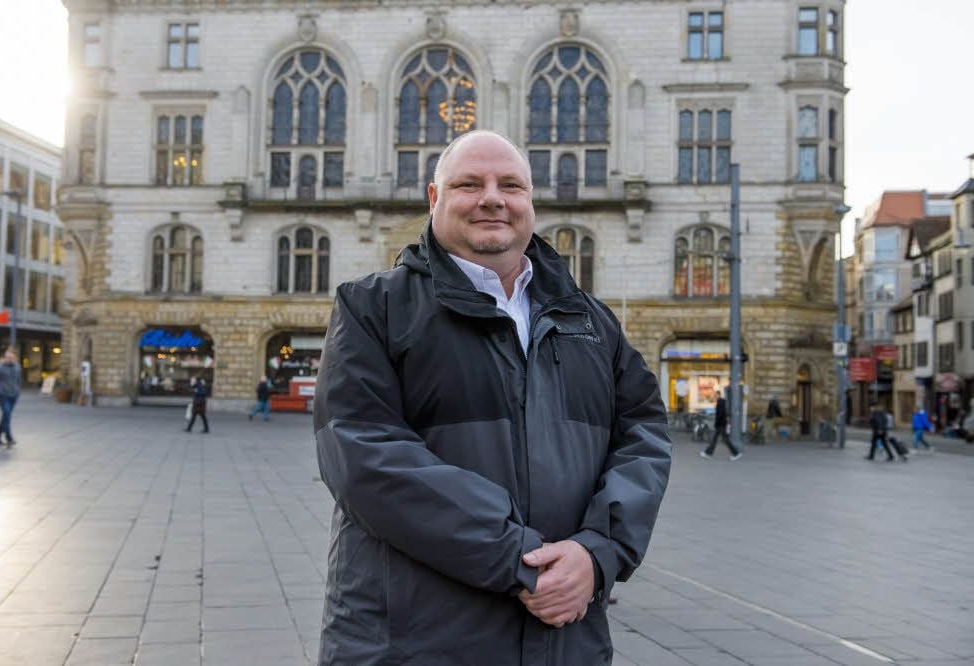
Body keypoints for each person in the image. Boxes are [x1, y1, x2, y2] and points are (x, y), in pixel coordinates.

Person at [313, 130, 672, 665]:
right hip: (413, 644)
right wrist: (521, 561)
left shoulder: (591, 322)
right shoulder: (374, 308)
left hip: (564, 642)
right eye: (468, 184)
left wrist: (597, 554)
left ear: (530, 202)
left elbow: (644, 434)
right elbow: (364, 456)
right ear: (435, 199)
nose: (492, 198)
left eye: (511, 185)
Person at [0, 348, 21, 447]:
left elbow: (18, 381)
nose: (9, 359)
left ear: (15, 358)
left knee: (6, 416)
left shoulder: (18, 367)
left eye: (11, 357)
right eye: (7, 357)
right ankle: (9, 438)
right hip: (2, 395)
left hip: (13, 396)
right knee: (7, 414)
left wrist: (18, 392)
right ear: (4, 357)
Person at [701, 390, 742, 461]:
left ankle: (736, 453)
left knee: (724, 440)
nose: (714, 396)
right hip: (721, 424)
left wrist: (717, 424)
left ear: (718, 395)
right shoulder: (721, 402)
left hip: (721, 425)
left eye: (715, 395)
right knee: (716, 439)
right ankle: (708, 453)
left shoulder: (720, 402)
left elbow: (720, 415)